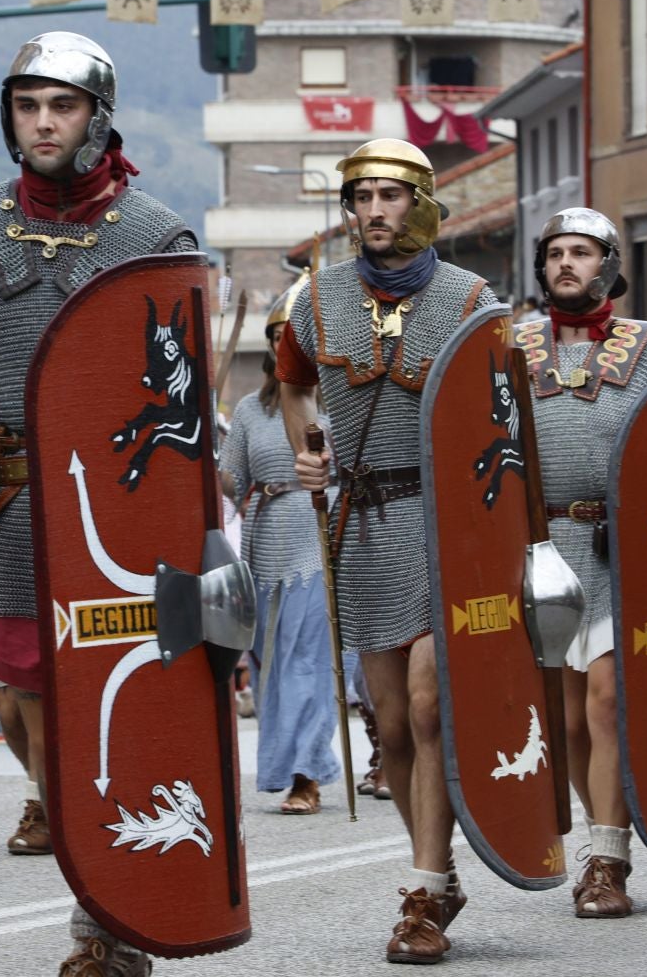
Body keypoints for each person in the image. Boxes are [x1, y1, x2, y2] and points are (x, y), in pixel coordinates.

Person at [0, 30, 195, 977]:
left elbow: (180, 403)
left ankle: (104, 920)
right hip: (7, 508)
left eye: (63, 106)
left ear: (98, 116)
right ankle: (92, 866)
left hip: (113, 516)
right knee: (19, 700)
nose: (43, 123)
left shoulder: (154, 237)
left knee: (106, 710)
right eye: (26, 106)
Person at [278, 138, 495, 964]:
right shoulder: (316, 300)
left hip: (443, 523)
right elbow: (294, 381)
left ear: (423, 205)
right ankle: (434, 872)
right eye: (362, 196)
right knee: (394, 728)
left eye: (391, 196)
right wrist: (310, 447)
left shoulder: (472, 298)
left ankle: (423, 892)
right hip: (361, 527)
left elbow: (499, 419)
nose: (374, 210)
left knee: (434, 705)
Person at [517, 211, 647, 917]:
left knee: (608, 703)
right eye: (555, 253)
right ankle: (601, 832)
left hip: (618, 549)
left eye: (580, 252)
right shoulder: (510, 347)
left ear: (607, 264)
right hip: (545, 548)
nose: (566, 264)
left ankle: (608, 860)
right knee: (568, 722)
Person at [218, 275, 344, 817]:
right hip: (265, 536)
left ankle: (307, 774)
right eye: (276, 336)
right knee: (270, 662)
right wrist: (203, 448)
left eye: (292, 335)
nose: (282, 344)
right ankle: (283, 767)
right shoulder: (249, 410)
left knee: (307, 661)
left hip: (319, 533)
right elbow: (232, 482)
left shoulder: (337, 401)